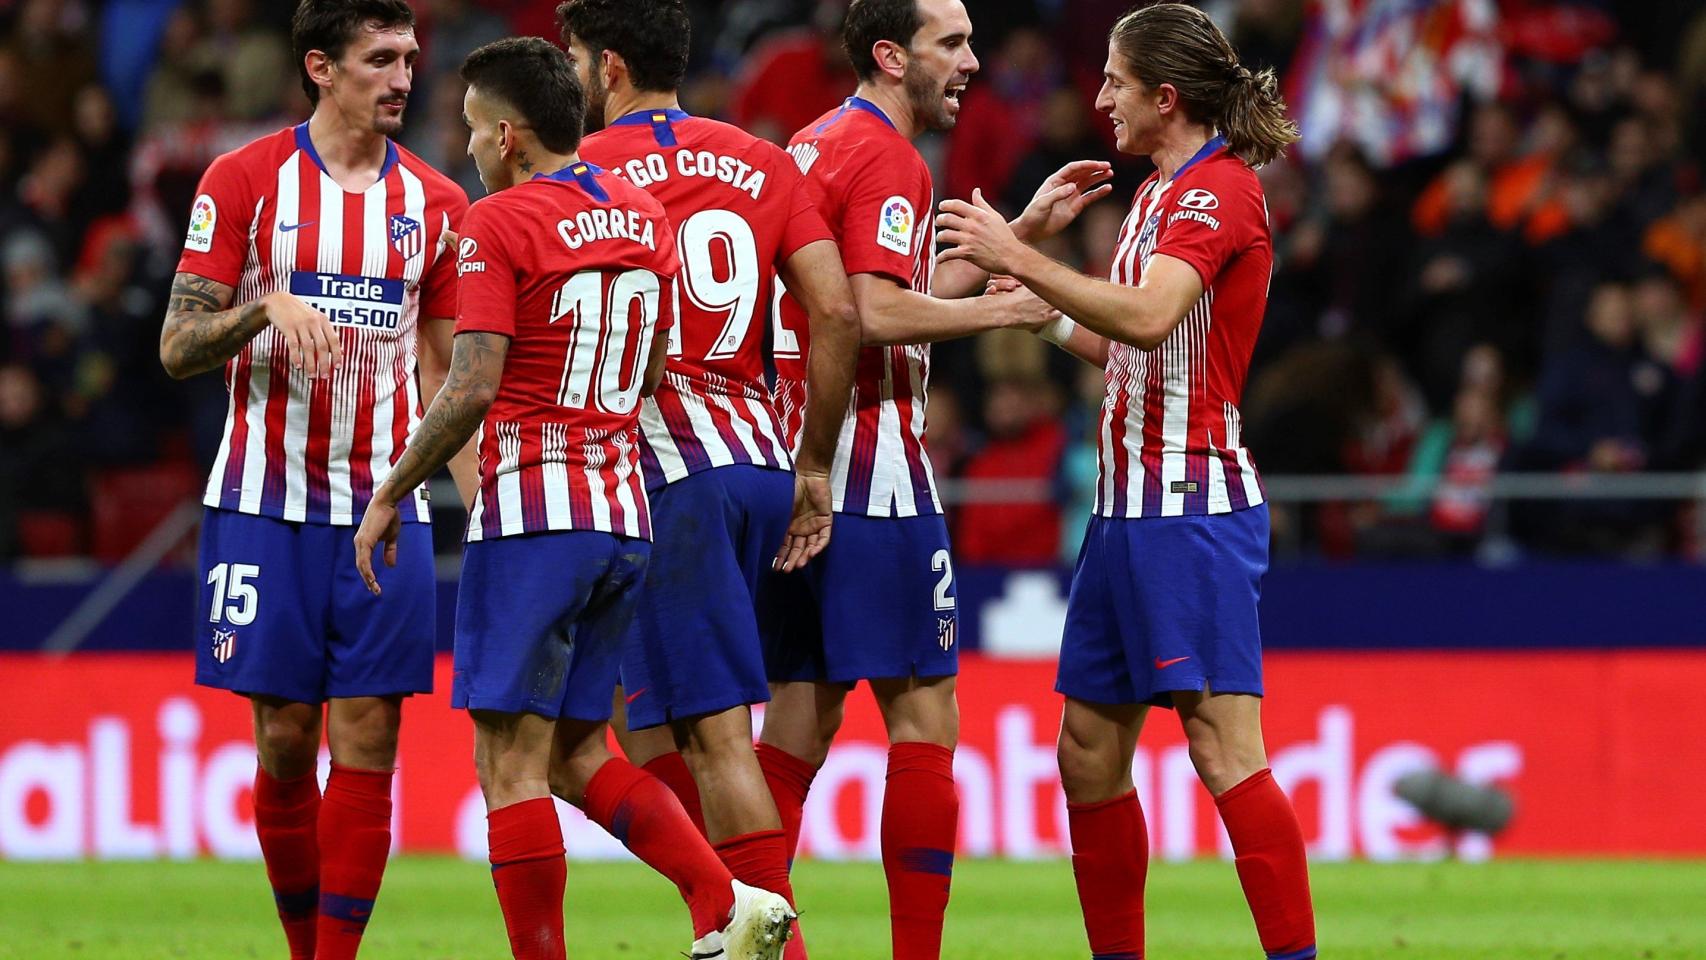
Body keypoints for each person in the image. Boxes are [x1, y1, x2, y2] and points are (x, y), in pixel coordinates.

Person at [352, 36, 796, 960]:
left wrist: (394, 489)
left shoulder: (497, 224)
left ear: (508, 135)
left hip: (534, 516)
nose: (468, 147)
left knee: (507, 764)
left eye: (473, 129)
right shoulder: (641, 215)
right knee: (579, 752)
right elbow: (663, 356)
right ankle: (728, 900)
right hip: (625, 508)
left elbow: (471, 384)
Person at [934, 4, 1318, 959]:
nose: (1098, 94)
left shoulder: (1215, 192)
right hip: (1121, 514)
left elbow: (1151, 316)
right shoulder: (1156, 195)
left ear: (1165, 95)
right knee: (1087, 754)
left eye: (1114, 79)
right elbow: (1127, 343)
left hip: (1190, 507)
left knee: (1226, 751)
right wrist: (1042, 314)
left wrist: (1021, 254)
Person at [752, 1, 1102, 957]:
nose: (971, 61)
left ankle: (755, 938)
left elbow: (880, 294)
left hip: (800, 465)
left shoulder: (813, 144)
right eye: (951, 43)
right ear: (889, 54)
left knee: (795, 729)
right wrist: (1010, 311)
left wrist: (1013, 238)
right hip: (876, 473)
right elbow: (865, 314)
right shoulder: (890, 158)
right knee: (925, 720)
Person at [157, 4, 472, 958]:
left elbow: (451, 374)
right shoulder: (245, 180)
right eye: (380, 59)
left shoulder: (438, 205)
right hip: (264, 507)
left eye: (410, 58)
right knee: (288, 743)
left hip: (386, 507)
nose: (404, 77)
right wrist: (261, 311)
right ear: (321, 68)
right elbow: (175, 346)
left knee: (369, 745)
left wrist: (491, 505)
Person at [555, 0, 860, 951]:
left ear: (607, 68)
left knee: (715, 739)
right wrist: (814, 465)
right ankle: (720, 917)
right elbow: (838, 317)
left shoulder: (587, 173)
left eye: (571, 59)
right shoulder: (762, 160)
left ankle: (766, 933)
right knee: (654, 735)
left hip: (669, 479)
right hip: (766, 470)